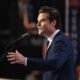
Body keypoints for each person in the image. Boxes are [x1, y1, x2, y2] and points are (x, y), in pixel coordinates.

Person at [7, 6, 75, 80]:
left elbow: (54, 64)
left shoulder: (61, 41)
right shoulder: (49, 41)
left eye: (42, 20)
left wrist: (25, 60)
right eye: (37, 21)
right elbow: (48, 69)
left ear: (53, 23)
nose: (38, 24)